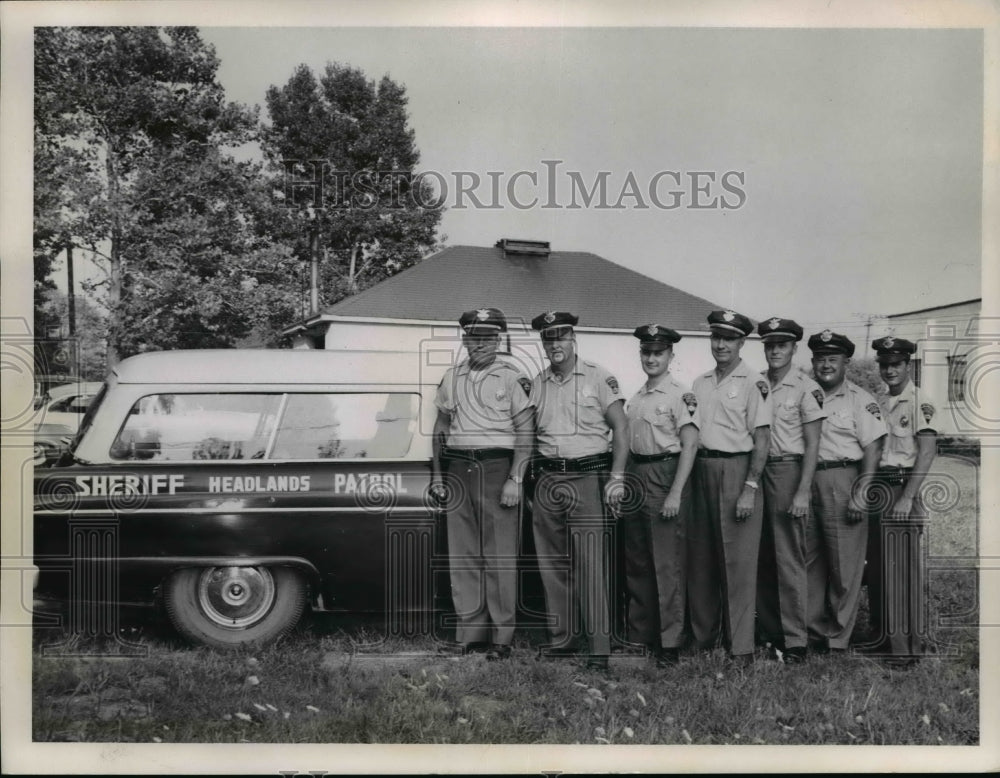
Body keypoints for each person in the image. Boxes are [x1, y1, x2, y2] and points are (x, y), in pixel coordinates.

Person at [431, 307, 534, 660]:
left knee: (500, 557)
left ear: (499, 340)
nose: (480, 344)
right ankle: (469, 632)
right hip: (460, 467)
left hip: (497, 467)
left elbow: (525, 432)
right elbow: (441, 427)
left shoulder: (512, 377)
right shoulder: (452, 377)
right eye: (474, 337)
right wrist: (438, 474)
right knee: (463, 556)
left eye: (488, 337)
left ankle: (501, 638)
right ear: (465, 339)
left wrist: (515, 478)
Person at [528, 311, 628, 671]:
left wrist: (616, 478)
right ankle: (564, 640)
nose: (555, 344)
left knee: (590, 565)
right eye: (548, 338)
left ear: (574, 339)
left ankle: (599, 649)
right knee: (552, 565)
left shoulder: (599, 378)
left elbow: (621, 429)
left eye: (561, 337)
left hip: (588, 477)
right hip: (548, 480)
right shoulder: (537, 384)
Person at [687, 309, 772, 663]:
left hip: (737, 470)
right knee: (702, 558)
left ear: (741, 343)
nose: (721, 345)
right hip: (702, 470)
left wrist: (750, 486)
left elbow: (763, 438)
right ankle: (704, 639)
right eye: (716, 337)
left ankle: (740, 647)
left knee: (737, 562)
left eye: (729, 339)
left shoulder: (754, 383)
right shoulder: (700, 382)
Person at [622, 324, 700, 667]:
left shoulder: (680, 395)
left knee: (667, 562)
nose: (651, 358)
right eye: (646, 352)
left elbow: (690, 445)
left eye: (658, 353)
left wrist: (675, 493)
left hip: (666, 472)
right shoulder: (637, 397)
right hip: (637, 475)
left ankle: (670, 641)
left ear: (671, 356)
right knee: (638, 559)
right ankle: (641, 634)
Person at [805, 330, 885, 654]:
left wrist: (861, 490)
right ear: (813, 361)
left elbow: (874, 448)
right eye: (821, 358)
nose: (826, 365)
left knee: (844, 566)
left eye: (832, 359)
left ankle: (837, 638)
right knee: (809, 561)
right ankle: (810, 632)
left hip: (843, 479)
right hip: (807, 481)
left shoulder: (860, 400)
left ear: (845, 363)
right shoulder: (805, 395)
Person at [860, 336, 937, 668]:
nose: (889, 370)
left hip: (903, 487)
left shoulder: (919, 402)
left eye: (896, 364)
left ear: (909, 365)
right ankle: (883, 638)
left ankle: (906, 649)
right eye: (884, 364)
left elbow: (927, 452)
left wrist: (907, 498)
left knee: (901, 571)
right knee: (878, 567)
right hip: (880, 486)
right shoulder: (880, 400)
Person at [754, 317, 826, 663]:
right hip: (756, 471)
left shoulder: (805, 387)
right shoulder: (758, 383)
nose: (775, 351)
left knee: (789, 558)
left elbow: (813, 444)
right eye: (769, 345)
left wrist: (802, 491)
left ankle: (796, 640)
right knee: (762, 554)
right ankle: (770, 633)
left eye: (781, 345)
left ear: (794, 348)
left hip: (787, 470)